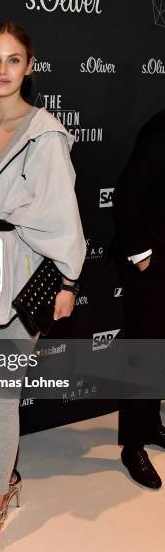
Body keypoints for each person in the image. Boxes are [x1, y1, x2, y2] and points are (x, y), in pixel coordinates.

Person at [0, 21, 86, 552]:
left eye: (13, 60)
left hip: (19, 278)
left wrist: (69, 280)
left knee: (2, 399)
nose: (2, 70)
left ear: (29, 66)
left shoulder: (45, 135)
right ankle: (4, 474)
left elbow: (62, 215)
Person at [113, 110, 165, 489]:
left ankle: (151, 423)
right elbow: (127, 191)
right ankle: (132, 446)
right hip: (150, 263)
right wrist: (141, 256)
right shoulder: (162, 126)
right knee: (143, 351)